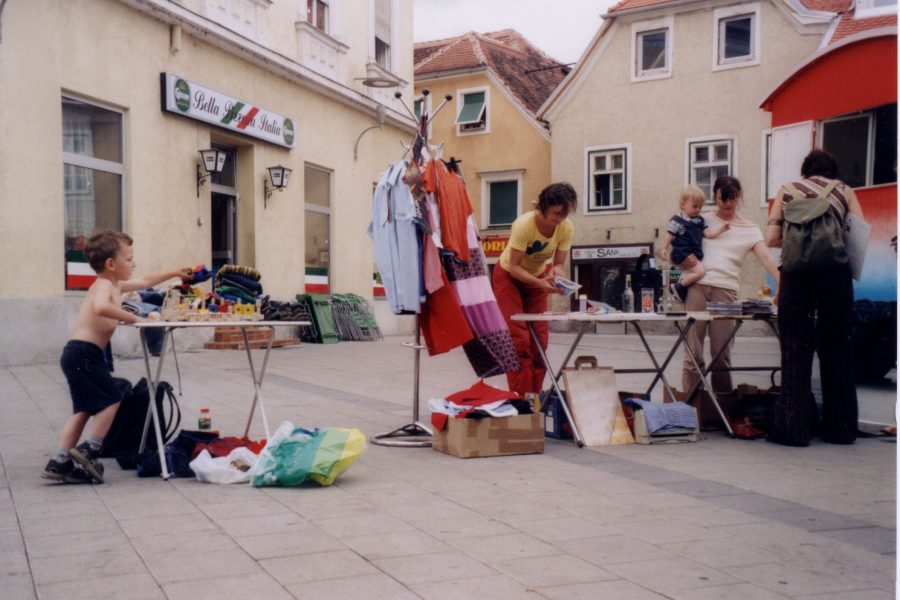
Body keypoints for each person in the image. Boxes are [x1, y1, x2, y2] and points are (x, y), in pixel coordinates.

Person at [42, 230, 191, 483]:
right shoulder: (103, 286)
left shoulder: (114, 285)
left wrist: (175, 272)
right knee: (112, 397)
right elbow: (101, 308)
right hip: (84, 354)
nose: (134, 264)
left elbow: (145, 281)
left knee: (84, 409)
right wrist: (134, 318)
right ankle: (91, 448)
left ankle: (59, 461)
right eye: (130, 259)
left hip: (78, 354)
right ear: (111, 264)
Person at [764, 149, 864, 446]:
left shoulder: (787, 191)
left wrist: (799, 240)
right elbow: (858, 235)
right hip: (835, 274)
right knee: (837, 348)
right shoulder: (845, 190)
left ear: (804, 171)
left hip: (796, 274)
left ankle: (793, 430)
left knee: (795, 348)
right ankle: (842, 428)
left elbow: (770, 240)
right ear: (832, 171)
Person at [681, 176, 780, 403]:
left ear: (739, 197)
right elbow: (680, 244)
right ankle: (691, 408)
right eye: (721, 199)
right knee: (692, 353)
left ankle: (723, 409)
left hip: (726, 292)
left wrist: (781, 281)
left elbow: (766, 258)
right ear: (714, 197)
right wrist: (679, 262)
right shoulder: (701, 220)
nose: (727, 204)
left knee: (721, 355)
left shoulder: (750, 229)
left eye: (732, 199)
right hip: (697, 286)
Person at [493, 182, 577, 396]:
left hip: (536, 275)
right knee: (519, 340)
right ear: (543, 208)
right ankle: (520, 398)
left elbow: (558, 263)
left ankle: (535, 398)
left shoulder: (566, 227)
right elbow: (514, 268)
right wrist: (541, 284)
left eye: (564, 213)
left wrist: (558, 274)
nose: (560, 218)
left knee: (540, 339)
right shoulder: (524, 225)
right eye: (556, 213)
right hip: (509, 277)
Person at [661, 185, 731, 301]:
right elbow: (670, 234)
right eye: (694, 206)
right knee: (700, 272)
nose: (698, 210)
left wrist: (721, 229)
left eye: (700, 207)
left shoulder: (699, 221)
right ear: (683, 204)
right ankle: (679, 286)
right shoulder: (677, 220)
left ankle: (681, 289)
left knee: (695, 271)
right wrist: (664, 249)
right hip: (681, 252)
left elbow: (708, 234)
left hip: (691, 253)